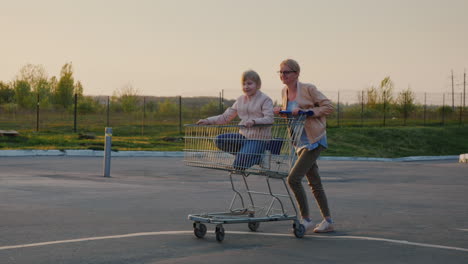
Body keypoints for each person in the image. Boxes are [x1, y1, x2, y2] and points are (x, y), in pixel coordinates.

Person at [273, 59, 335, 233]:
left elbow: (328, 107)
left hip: (314, 140)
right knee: (314, 181)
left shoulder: (309, 89)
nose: (283, 75)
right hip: (299, 142)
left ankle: (306, 219)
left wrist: (308, 112)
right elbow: (293, 116)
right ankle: (328, 221)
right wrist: (281, 112)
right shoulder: (284, 91)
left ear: (296, 73)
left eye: (286, 72)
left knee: (293, 179)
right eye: (280, 72)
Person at [197, 70, 274, 170]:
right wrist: (208, 121)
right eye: (243, 84)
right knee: (219, 140)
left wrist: (254, 122)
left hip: (258, 139)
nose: (246, 87)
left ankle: (257, 157)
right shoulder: (240, 100)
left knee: (238, 166)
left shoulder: (265, 99)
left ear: (258, 85)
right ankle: (251, 156)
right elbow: (225, 117)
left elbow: (269, 119)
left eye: (249, 83)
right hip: (242, 136)